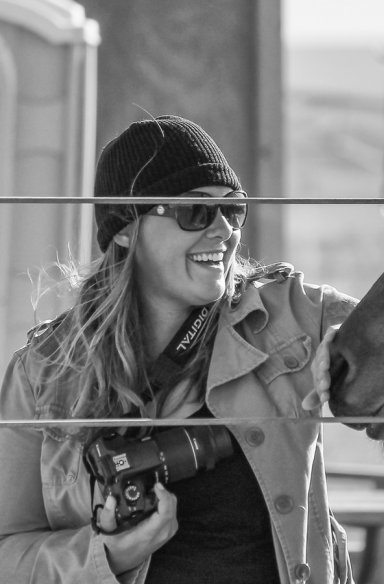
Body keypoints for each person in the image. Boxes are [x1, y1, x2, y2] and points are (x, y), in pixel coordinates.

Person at [0, 115, 357, 584]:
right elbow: (7, 552)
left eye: (233, 210)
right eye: (195, 212)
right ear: (126, 227)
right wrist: (108, 554)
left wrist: (356, 341)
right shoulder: (45, 370)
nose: (224, 231)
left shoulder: (287, 316)